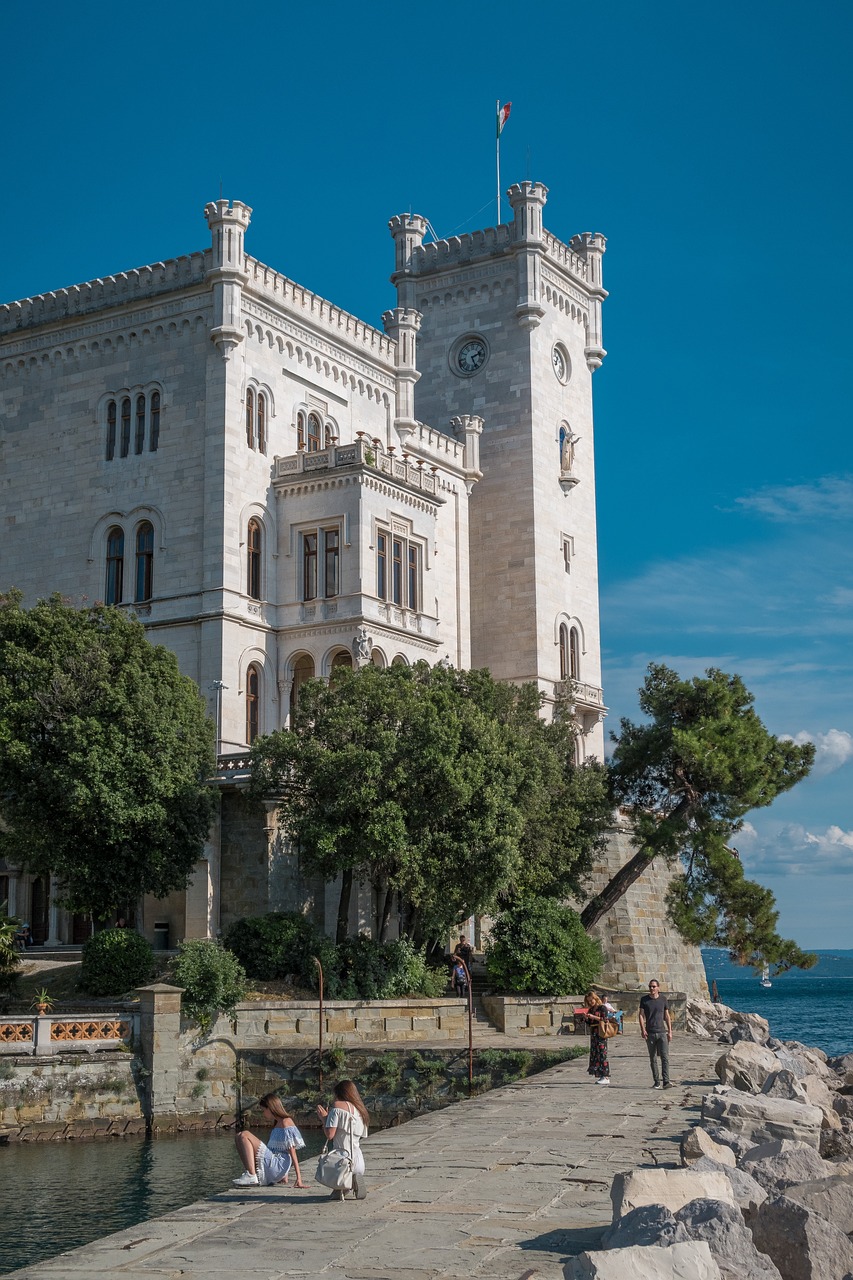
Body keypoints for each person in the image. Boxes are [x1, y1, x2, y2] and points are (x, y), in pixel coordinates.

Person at [233, 1092, 306, 1187]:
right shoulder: (277, 1124)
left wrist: (299, 1178)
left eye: (263, 1110)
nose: (263, 1113)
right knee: (238, 1136)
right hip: (275, 1165)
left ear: (270, 1108)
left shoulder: (286, 1122)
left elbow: (292, 1151)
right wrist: (284, 1175)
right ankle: (250, 1173)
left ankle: (251, 1175)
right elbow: (281, 1149)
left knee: (244, 1134)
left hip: (278, 1164)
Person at [316, 1080, 369, 1201]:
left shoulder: (336, 1107)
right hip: (358, 1159)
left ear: (339, 1093)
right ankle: (349, 1182)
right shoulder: (360, 1110)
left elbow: (330, 1135)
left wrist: (324, 1118)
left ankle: (343, 1185)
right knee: (334, 1195)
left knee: (328, 1169)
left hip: (342, 1159)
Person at [639, 979, 673, 1089]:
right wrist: (643, 1029)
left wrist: (670, 1031)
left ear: (658, 987)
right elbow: (641, 1015)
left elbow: (667, 1016)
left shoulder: (663, 999)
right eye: (650, 986)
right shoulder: (644, 1000)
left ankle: (666, 1081)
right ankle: (656, 1081)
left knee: (665, 1057)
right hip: (650, 1033)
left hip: (662, 1032)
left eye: (653, 986)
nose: (651, 988)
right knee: (652, 1058)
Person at [580, 990, 611, 1085]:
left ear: (595, 998)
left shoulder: (602, 1008)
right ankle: (600, 1074)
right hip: (594, 1034)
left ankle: (605, 1075)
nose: (590, 1002)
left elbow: (605, 1019)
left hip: (601, 1033)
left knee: (602, 1053)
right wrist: (586, 1018)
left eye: (591, 1000)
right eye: (588, 1001)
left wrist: (593, 1017)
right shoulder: (591, 1009)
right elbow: (590, 1023)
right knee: (595, 1054)